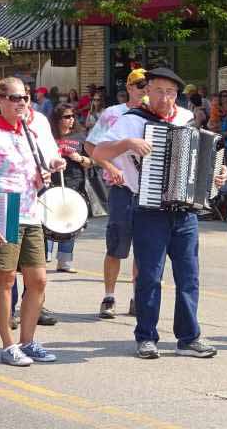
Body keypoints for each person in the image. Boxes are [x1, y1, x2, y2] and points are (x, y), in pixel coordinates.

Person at [93, 67, 223, 359]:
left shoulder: (185, 118)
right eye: (160, 91)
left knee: (189, 276)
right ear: (147, 91)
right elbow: (98, 153)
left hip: (185, 210)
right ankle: (146, 336)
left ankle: (189, 338)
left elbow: (198, 159)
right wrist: (127, 144)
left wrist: (214, 175)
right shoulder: (131, 121)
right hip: (148, 207)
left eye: (171, 92)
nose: (166, 98)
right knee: (150, 275)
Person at [0, 77, 65, 367]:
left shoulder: (29, 131)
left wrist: (44, 175)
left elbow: (34, 171)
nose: (21, 103)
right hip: (5, 207)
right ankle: (8, 344)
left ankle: (28, 340)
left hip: (31, 210)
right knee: (6, 279)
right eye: (14, 98)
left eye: (24, 97)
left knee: (38, 280)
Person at [84, 68, 147, 318]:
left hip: (149, 190)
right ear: (130, 88)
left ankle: (137, 297)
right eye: (140, 85)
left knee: (145, 248)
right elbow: (91, 145)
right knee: (117, 246)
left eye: (147, 85)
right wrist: (110, 166)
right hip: (122, 189)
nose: (144, 90)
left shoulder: (155, 114)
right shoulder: (113, 114)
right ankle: (109, 296)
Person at [48, 103, 93, 273]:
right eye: (67, 116)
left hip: (75, 184)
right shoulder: (49, 137)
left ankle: (65, 260)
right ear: (58, 119)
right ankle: (45, 254)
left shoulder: (81, 137)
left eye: (73, 116)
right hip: (52, 183)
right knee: (48, 219)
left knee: (70, 222)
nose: (71, 120)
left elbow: (91, 163)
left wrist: (78, 157)